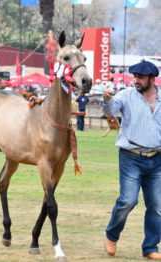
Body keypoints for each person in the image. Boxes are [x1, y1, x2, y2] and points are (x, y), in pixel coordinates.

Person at [102, 60, 161, 260]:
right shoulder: (126, 95)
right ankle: (112, 235)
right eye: (134, 76)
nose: (136, 80)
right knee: (128, 200)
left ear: (152, 79)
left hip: (158, 159)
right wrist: (107, 99)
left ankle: (151, 247)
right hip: (131, 157)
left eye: (140, 77)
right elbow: (111, 110)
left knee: (157, 205)